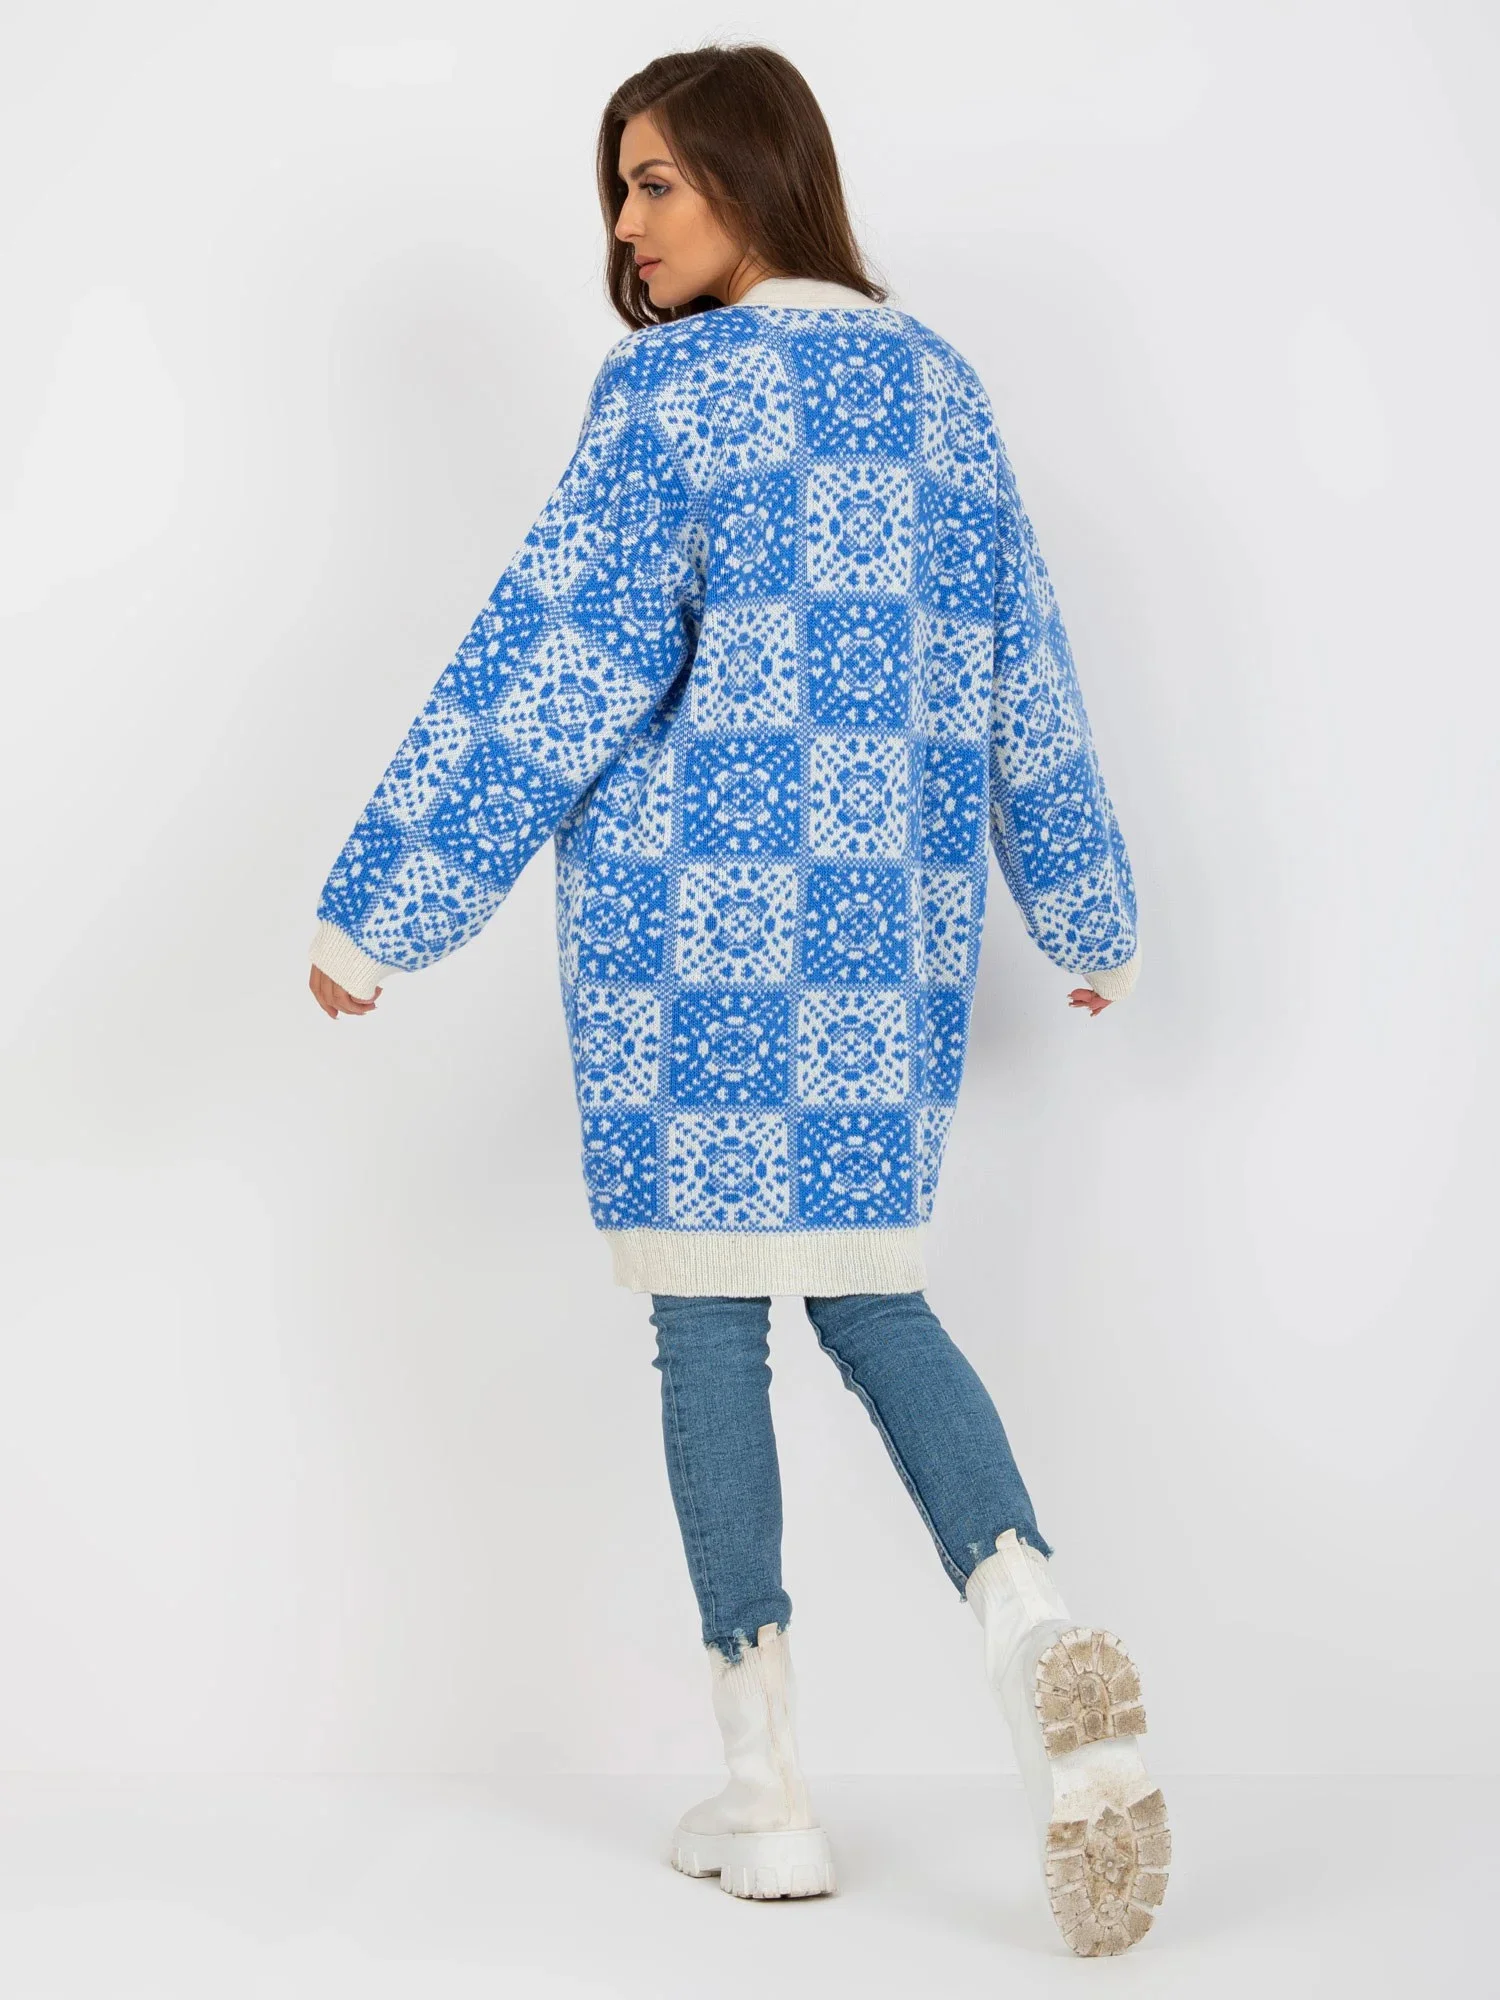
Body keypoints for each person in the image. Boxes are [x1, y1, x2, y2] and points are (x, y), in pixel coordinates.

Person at [305, 41, 1168, 1959]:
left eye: (655, 183)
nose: (625, 227)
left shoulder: (675, 396)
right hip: (883, 947)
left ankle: (769, 1797)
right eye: (617, 188)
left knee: (708, 1333)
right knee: (871, 1292)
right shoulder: (941, 390)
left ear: (758, 177)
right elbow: (1027, 662)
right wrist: (1088, 913)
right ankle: (1035, 1629)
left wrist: (381, 914)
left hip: (689, 945)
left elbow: (551, 662)